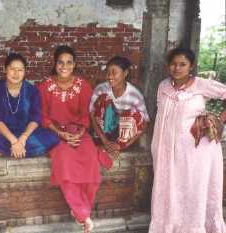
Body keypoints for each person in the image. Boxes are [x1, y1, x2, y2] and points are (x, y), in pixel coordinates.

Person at [149, 48, 226, 232]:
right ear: (168, 66)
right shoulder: (163, 86)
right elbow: (162, 117)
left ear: (191, 66)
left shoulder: (201, 84)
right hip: (166, 150)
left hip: (196, 152)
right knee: (169, 190)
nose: (177, 68)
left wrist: (219, 119)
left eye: (182, 64)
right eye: (174, 64)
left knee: (192, 190)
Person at [38, 45, 113, 233]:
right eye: (61, 62)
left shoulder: (83, 85)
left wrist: (79, 133)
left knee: (90, 159)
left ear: (74, 64)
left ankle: (82, 208)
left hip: (78, 131)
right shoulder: (45, 86)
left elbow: (86, 116)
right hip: (53, 133)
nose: (64, 66)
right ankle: (82, 213)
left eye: (69, 62)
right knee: (64, 161)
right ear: (55, 64)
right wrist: (60, 134)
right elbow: (43, 117)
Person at [0, 53, 59, 159]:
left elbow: (36, 118)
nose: (16, 73)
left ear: (25, 72)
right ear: (5, 69)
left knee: (52, 138)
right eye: (12, 69)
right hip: (2, 134)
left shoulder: (32, 91)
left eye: (20, 70)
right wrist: (13, 141)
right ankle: (15, 149)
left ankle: (3, 151)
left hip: (25, 134)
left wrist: (22, 139)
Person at [89, 56, 150, 158]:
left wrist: (122, 145)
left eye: (114, 72)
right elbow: (91, 113)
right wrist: (104, 140)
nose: (110, 76)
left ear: (125, 73)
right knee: (104, 99)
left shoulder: (134, 95)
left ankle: (117, 145)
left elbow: (145, 123)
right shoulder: (101, 89)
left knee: (132, 113)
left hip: (124, 135)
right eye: (108, 72)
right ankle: (105, 142)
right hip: (105, 131)